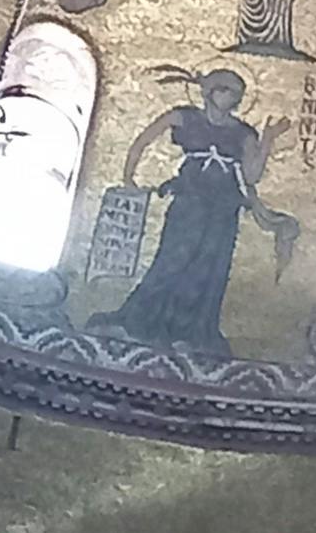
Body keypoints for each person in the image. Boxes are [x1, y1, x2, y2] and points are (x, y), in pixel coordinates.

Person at [95, 72, 296, 359]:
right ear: (209, 91)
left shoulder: (244, 133)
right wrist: (129, 176)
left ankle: (190, 334)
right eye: (225, 89)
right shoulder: (184, 117)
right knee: (172, 259)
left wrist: (268, 139)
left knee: (209, 268)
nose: (231, 97)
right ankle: (140, 322)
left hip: (223, 208)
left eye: (236, 92)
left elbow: (252, 175)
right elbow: (144, 139)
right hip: (189, 201)